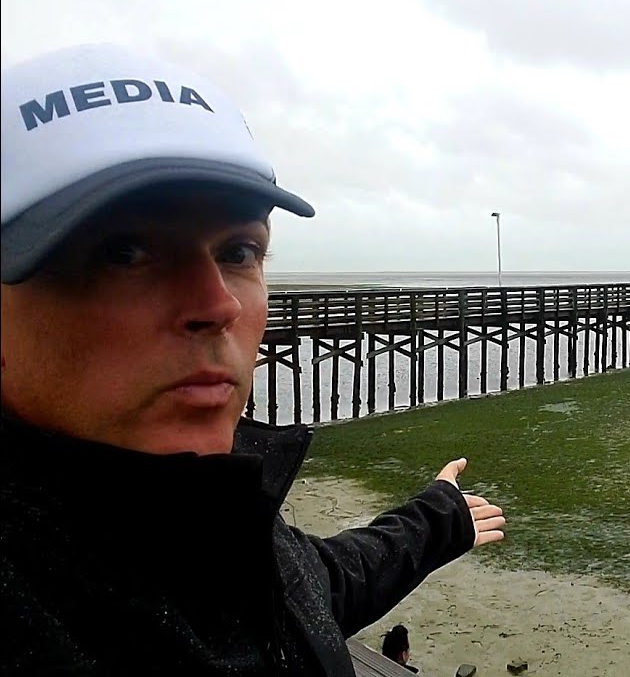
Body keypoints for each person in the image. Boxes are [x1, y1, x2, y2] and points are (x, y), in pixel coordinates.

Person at [0, 44, 506, 674]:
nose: (217, 304)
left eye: (239, 251)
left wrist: (439, 517)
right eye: (123, 252)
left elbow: (313, 588)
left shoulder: (214, 526)